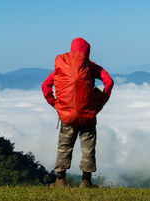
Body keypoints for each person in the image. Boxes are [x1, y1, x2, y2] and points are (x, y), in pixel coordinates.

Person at [41, 37, 114, 188]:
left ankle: (60, 180)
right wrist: (101, 101)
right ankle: (86, 181)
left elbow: (45, 86)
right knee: (88, 148)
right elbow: (109, 81)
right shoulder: (90, 66)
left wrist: (55, 104)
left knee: (64, 146)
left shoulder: (61, 66)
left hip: (67, 116)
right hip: (87, 115)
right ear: (87, 51)